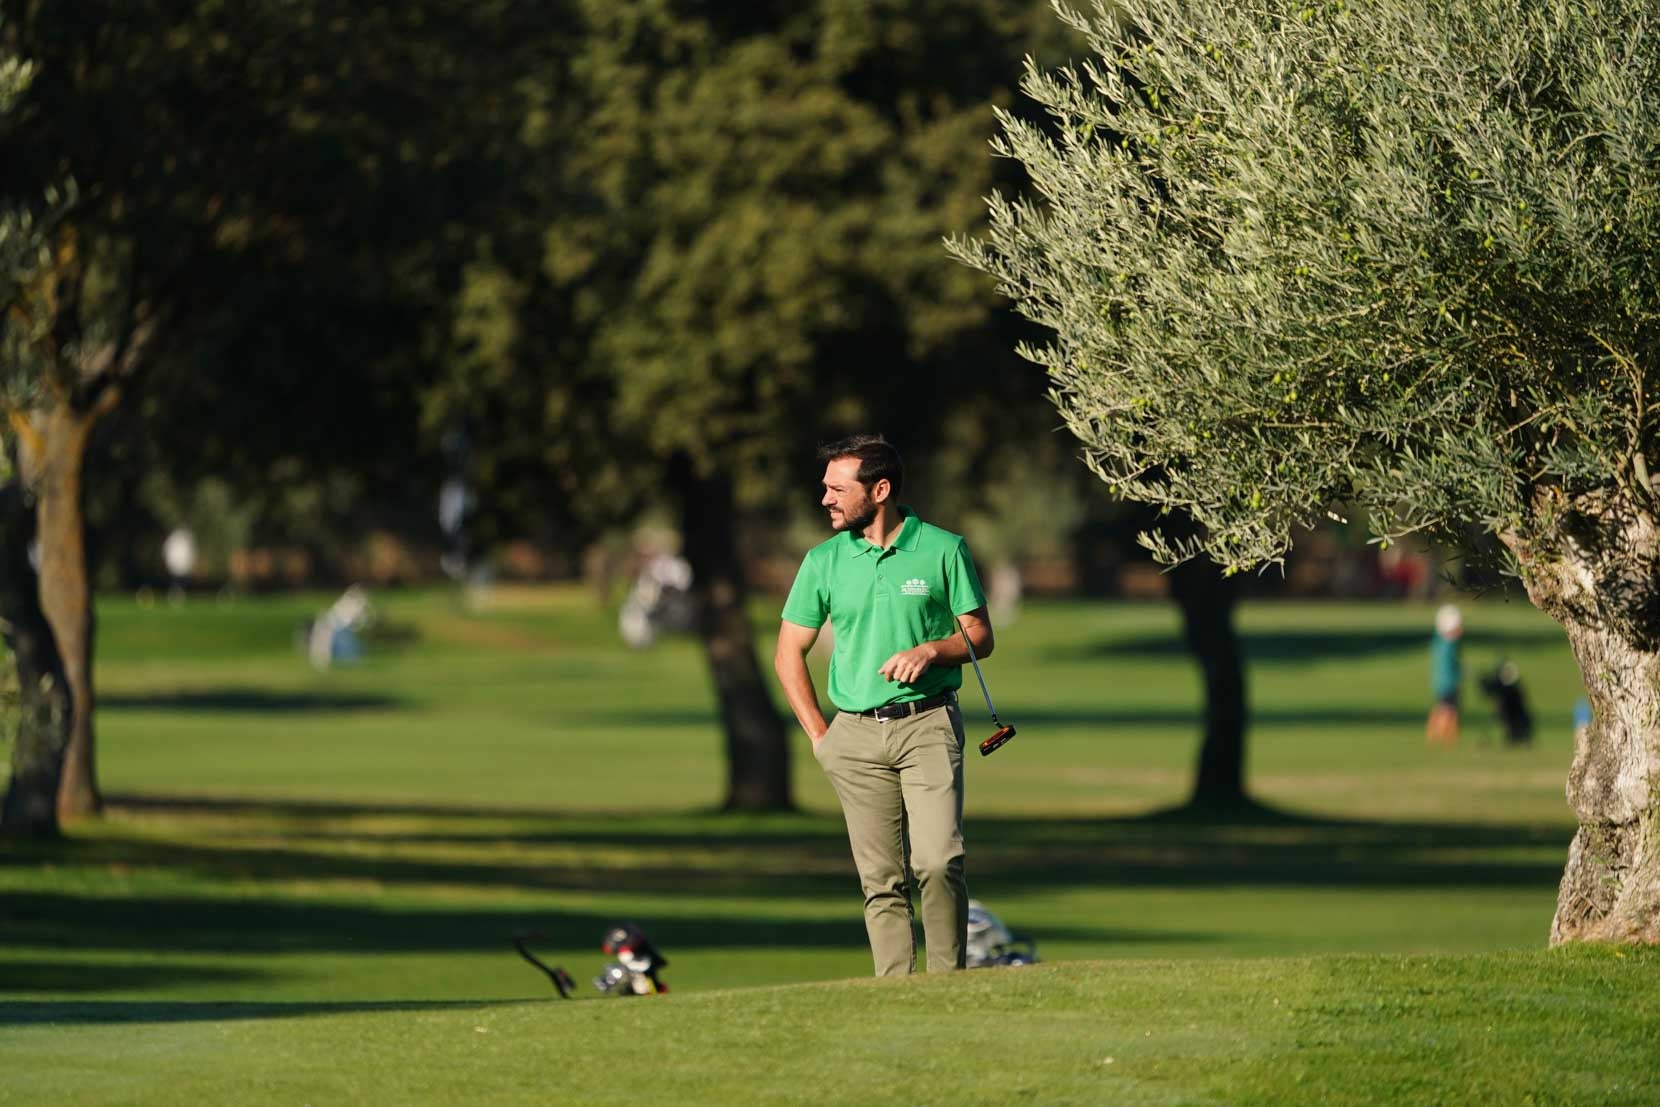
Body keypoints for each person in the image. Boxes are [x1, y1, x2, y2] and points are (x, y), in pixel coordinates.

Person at [773, 433, 994, 976]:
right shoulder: (823, 561)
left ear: (880, 489)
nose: (824, 498)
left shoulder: (943, 549)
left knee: (939, 861)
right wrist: (822, 740)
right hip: (854, 736)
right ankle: (896, 992)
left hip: (929, 724)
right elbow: (787, 654)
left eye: (836, 488)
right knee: (881, 880)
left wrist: (931, 650)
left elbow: (979, 636)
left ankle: (947, 985)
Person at [1426, 603, 1463, 746]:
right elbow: (1450, 667)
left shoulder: (1439, 642)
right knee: (1449, 711)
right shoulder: (1448, 645)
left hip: (1441, 683)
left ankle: (1435, 735)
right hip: (1448, 683)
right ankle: (1447, 737)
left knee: (1441, 707)